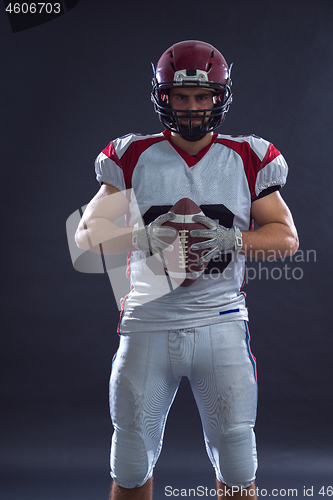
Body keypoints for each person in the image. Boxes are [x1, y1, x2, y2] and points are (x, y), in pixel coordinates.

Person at [74, 40, 299, 500]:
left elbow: (286, 238)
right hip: (148, 321)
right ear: (163, 97)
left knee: (238, 463)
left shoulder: (247, 156)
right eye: (181, 96)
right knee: (131, 462)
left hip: (219, 322)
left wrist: (233, 240)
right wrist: (137, 238)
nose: (192, 107)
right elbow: (87, 232)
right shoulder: (133, 155)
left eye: (202, 97)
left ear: (220, 97)